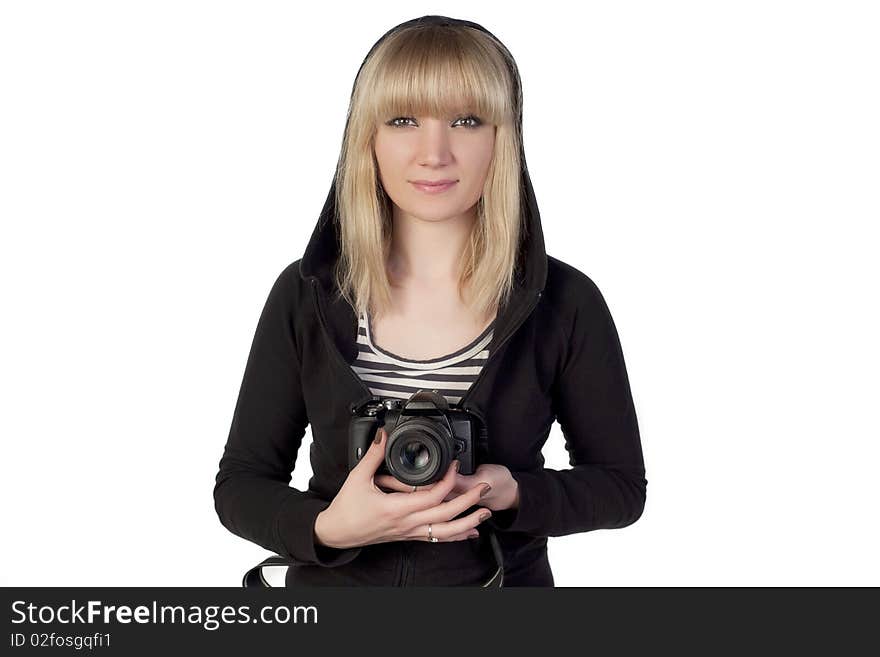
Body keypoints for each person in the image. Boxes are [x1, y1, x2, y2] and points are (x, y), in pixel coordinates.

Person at [213, 15, 647, 587]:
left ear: (503, 137)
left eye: (466, 120)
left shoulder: (564, 302)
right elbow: (241, 483)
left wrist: (512, 492)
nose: (433, 153)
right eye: (402, 120)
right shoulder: (307, 293)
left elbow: (620, 488)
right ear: (366, 137)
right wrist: (326, 529)